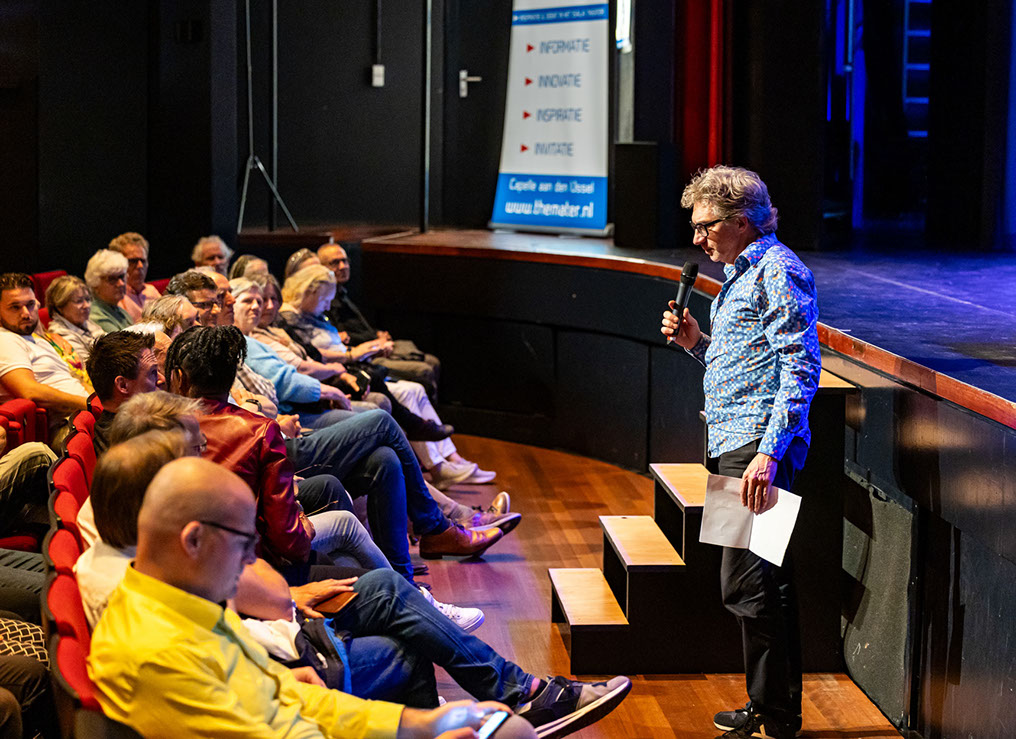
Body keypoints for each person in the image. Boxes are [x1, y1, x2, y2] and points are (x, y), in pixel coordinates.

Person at [87, 456, 529, 738]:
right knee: (513, 733)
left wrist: (419, 724)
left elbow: (287, 695)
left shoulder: (181, 601)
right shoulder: (156, 654)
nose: (249, 561)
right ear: (194, 540)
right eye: (244, 543)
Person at [661, 165, 821, 739]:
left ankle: (773, 713)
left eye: (706, 226)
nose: (697, 238)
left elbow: (801, 367)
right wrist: (696, 343)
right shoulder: (741, 273)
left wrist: (769, 455)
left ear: (743, 221)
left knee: (750, 584)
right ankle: (772, 711)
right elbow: (746, 366)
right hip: (737, 442)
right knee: (760, 583)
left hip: (757, 449)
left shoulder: (778, 271)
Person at [164, 326, 505, 579]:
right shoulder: (170, 425)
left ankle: (405, 573)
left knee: (384, 459)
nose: (214, 308)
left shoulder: (250, 345)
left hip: (280, 437)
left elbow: (271, 394)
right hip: (255, 548)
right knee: (379, 422)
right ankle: (430, 535)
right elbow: (288, 540)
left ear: (178, 377)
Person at [319, 242, 441, 400]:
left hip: (374, 345)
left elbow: (357, 326)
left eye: (345, 261)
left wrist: (377, 334)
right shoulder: (326, 301)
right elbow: (342, 337)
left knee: (432, 361)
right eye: (335, 262)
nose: (343, 266)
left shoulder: (341, 292)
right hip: (364, 356)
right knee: (424, 370)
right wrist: (376, 340)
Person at [0, 273, 88, 421]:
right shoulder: (5, 340)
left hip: (86, 415)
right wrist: (90, 405)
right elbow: (29, 391)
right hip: (69, 423)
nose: (26, 314)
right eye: (15, 307)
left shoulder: (37, 339)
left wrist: (101, 402)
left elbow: (75, 381)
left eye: (30, 305)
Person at [43, 275, 106, 362]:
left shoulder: (85, 322)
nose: (86, 305)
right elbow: (87, 365)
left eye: (88, 299)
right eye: (79, 301)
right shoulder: (60, 335)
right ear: (60, 306)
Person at [108, 231, 161, 322]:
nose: (140, 266)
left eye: (143, 261)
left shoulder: (151, 291)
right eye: (133, 261)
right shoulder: (115, 297)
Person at [83, 249, 132, 332]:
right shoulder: (96, 316)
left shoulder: (120, 311)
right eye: (112, 279)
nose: (121, 283)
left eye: (122, 276)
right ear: (95, 283)